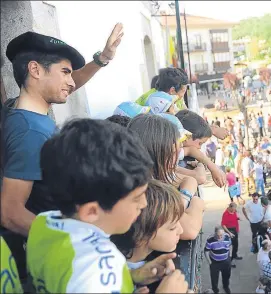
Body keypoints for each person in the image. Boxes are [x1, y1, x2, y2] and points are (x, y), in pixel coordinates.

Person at [1, 27, 123, 280]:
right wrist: (78, 244)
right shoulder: (30, 132)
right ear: (35, 70)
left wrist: (102, 59)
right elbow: (10, 212)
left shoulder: (22, 110)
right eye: (65, 72)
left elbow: (68, 84)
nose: (71, 81)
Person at [26, 119, 187, 293]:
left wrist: (130, 276)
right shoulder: (99, 268)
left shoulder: (44, 222)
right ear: (92, 211)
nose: (144, 204)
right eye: (136, 198)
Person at [110, 179, 185, 293]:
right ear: (141, 235)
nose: (181, 230)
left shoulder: (157, 264)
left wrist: (132, 278)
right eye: (172, 228)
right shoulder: (104, 268)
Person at [204, 226, 232, 294]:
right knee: (214, 278)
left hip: (226, 261)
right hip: (214, 262)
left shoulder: (227, 237)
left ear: (224, 233)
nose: (220, 237)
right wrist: (210, 262)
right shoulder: (210, 240)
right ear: (215, 233)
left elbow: (230, 245)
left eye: (221, 235)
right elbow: (206, 251)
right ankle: (215, 290)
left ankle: (226, 286)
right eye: (218, 235)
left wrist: (230, 255)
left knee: (226, 276)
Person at [221, 203, 243, 267]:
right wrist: (229, 233)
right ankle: (229, 262)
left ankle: (234, 255)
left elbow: (234, 217)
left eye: (235, 209)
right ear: (230, 208)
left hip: (235, 229)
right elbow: (223, 225)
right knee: (229, 246)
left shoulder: (233, 211)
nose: (234, 211)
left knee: (236, 244)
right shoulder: (225, 214)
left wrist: (238, 218)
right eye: (233, 209)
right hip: (230, 230)